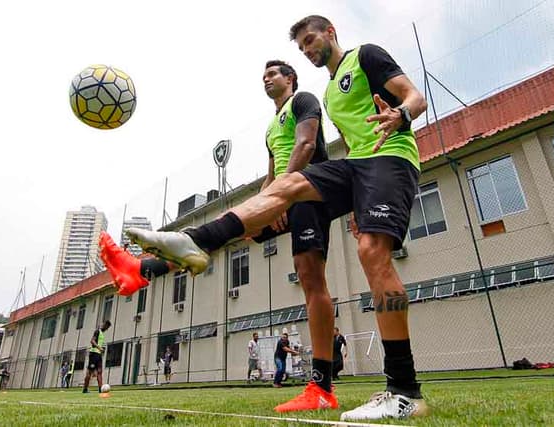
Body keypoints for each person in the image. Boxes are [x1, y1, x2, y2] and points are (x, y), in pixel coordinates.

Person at [119, 14, 429, 420]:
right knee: (286, 187)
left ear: (330, 33)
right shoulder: (333, 93)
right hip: (356, 167)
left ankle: (404, 391)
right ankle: (196, 240)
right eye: (300, 45)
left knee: (372, 253)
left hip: (390, 159)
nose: (306, 48)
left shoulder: (365, 57)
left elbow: (415, 97)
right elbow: (341, 146)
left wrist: (401, 115)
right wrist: (356, 199)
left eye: (310, 40)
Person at [99, 60, 339, 412]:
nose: (266, 79)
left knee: (311, 279)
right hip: (284, 194)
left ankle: (322, 386)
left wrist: (282, 196)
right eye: (263, 76)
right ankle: (141, 270)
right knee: (223, 234)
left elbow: (306, 146)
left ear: (290, 79)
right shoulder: (271, 127)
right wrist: (260, 207)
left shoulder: (303, 100)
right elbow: (270, 176)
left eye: (273, 74)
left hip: (307, 191)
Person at [82, 320, 111, 393]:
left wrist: (101, 350)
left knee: (99, 371)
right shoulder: (97, 331)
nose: (106, 328)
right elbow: (92, 341)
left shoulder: (102, 333)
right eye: (106, 326)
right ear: (103, 325)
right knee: (90, 372)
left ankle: (101, 389)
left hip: (98, 354)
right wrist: (99, 348)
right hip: (93, 353)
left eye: (108, 327)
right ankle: (85, 389)